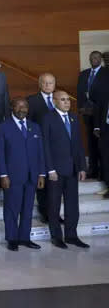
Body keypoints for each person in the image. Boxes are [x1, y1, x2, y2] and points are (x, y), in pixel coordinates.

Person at [0, 97, 45, 250]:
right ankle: (12, 239)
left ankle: (25, 238)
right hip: (12, 176)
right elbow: (0, 153)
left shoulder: (34, 127)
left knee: (28, 209)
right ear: (12, 107)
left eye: (25, 106)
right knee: (12, 208)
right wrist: (3, 175)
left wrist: (42, 174)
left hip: (32, 176)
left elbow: (40, 153)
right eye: (18, 106)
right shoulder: (3, 127)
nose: (22, 109)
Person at [42, 90, 89, 249]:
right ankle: (57, 237)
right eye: (63, 100)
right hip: (55, 171)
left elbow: (78, 145)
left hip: (72, 169)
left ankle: (71, 235)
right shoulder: (47, 118)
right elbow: (45, 146)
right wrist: (50, 169)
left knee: (72, 205)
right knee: (54, 205)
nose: (67, 102)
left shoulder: (74, 118)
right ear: (54, 101)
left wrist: (82, 166)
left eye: (68, 100)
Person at [26, 73, 58, 223]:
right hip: (39, 146)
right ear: (39, 84)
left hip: (57, 148)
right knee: (43, 182)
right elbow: (28, 124)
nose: (47, 85)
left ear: (54, 84)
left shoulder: (59, 99)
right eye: (44, 83)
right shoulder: (31, 101)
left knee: (56, 184)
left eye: (50, 83)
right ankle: (45, 212)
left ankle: (55, 213)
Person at [78, 51, 107, 180]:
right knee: (90, 142)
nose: (93, 59)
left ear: (100, 59)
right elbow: (79, 93)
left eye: (96, 57)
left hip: (102, 114)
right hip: (88, 114)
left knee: (102, 143)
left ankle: (103, 171)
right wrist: (81, 108)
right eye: (91, 58)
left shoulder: (107, 73)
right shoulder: (83, 74)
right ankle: (93, 169)